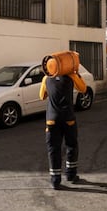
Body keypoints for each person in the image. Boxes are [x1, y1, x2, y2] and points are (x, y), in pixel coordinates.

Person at [39, 57, 87, 190]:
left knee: (54, 149)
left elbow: (41, 96)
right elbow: (83, 89)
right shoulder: (71, 76)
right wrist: (76, 74)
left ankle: (55, 180)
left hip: (52, 120)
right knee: (71, 145)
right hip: (68, 119)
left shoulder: (46, 79)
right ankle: (71, 175)